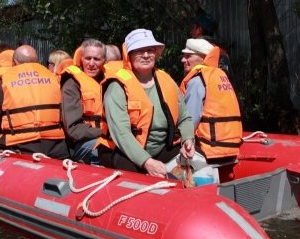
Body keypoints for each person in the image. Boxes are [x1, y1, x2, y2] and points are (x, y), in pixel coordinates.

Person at [98, 29, 195, 178]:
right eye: (139, 50)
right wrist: (147, 162)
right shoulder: (116, 87)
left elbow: (185, 118)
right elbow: (121, 134)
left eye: (150, 50)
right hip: (123, 150)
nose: (145, 55)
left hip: (161, 148)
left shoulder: (166, 80)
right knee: (133, 177)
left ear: (156, 53)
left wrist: (188, 140)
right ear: (128, 54)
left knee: (194, 161)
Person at [0, 45, 69, 158]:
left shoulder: (4, 83)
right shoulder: (55, 79)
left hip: (19, 146)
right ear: (36, 61)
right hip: (56, 146)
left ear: (14, 61)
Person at [178, 38, 243, 182]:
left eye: (188, 56)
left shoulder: (197, 80)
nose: (183, 60)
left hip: (209, 148)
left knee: (169, 159)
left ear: (202, 58)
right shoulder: (220, 75)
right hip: (230, 148)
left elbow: (189, 120)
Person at [60, 39, 107, 163]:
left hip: (107, 136)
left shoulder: (110, 81)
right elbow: (74, 130)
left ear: (104, 61)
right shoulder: (71, 84)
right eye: (88, 58)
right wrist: (105, 133)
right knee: (111, 152)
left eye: (96, 59)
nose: (91, 63)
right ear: (81, 59)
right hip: (81, 143)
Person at [190, 11, 232, 77]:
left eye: (193, 28)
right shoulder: (222, 52)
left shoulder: (194, 52)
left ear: (199, 30)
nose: (191, 32)